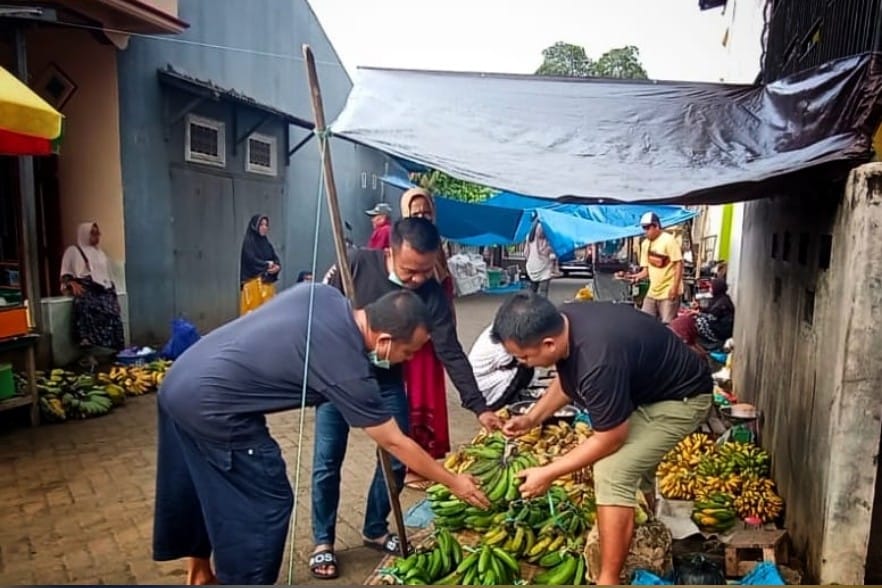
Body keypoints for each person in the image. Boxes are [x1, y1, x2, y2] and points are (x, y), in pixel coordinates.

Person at [152, 284, 489, 585]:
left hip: (180, 379)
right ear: (384, 341)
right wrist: (454, 481)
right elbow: (393, 440)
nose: (410, 359)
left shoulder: (325, 295)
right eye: (409, 352)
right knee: (263, 503)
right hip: (209, 405)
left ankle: (199, 575)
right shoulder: (348, 368)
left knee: (200, 485)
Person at [313, 217, 499, 579]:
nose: (417, 280)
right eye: (410, 270)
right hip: (337, 380)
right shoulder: (354, 264)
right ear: (390, 251)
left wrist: (479, 406)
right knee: (327, 460)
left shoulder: (431, 292)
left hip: (386, 381)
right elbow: (319, 312)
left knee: (397, 458)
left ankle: (374, 527)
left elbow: (450, 350)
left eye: (425, 271)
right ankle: (323, 541)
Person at [491, 291, 713, 586]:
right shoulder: (566, 322)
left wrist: (548, 472)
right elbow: (569, 380)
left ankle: (609, 579)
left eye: (525, 356)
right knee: (634, 463)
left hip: (683, 400)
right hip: (651, 391)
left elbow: (610, 438)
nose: (524, 364)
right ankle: (644, 530)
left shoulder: (597, 360)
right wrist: (532, 417)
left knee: (612, 471)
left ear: (548, 343)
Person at [399, 188, 454, 488]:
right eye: (415, 213)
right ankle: (410, 466)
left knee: (433, 398)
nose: (422, 218)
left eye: (426, 213)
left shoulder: (439, 248)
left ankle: (430, 461)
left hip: (437, 340)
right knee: (413, 400)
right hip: (412, 341)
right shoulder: (400, 247)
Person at [59, 222, 125, 353]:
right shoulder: (73, 251)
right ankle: (87, 347)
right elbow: (65, 272)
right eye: (93, 233)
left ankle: (114, 349)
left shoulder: (100, 253)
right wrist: (71, 282)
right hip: (86, 287)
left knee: (112, 311)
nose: (96, 237)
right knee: (86, 306)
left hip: (102, 289)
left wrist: (113, 294)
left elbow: (107, 275)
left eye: (97, 233)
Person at [621, 212, 683, 323]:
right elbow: (646, 271)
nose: (645, 231)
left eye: (648, 228)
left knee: (668, 325)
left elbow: (678, 264)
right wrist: (634, 277)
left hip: (668, 292)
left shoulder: (668, 241)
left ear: (657, 226)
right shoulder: (645, 244)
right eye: (644, 228)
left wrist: (675, 288)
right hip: (653, 292)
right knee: (645, 323)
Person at [468, 324, 535, 411]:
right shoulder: (510, 334)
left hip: (480, 380)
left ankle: (517, 398)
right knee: (524, 368)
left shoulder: (504, 323)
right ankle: (504, 406)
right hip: (483, 385)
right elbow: (508, 362)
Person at [670, 278, 735, 354]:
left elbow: (712, 317)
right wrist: (699, 309)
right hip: (720, 326)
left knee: (696, 322)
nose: (710, 289)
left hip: (722, 330)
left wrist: (697, 313)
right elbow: (710, 311)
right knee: (693, 319)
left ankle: (711, 345)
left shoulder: (722, 303)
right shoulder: (720, 298)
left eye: (711, 287)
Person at [239, 214, 281, 315]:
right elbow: (251, 260)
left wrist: (277, 267)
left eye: (266, 225)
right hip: (252, 287)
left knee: (269, 315)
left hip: (266, 284)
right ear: (255, 226)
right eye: (261, 224)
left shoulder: (266, 243)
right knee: (252, 316)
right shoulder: (249, 242)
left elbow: (274, 258)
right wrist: (266, 265)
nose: (264, 227)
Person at [524, 218, 555, 297]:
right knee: (543, 291)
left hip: (532, 265)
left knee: (532, 290)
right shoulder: (546, 241)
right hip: (544, 266)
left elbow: (526, 253)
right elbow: (550, 254)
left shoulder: (529, 237)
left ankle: (530, 307)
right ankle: (541, 307)